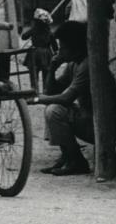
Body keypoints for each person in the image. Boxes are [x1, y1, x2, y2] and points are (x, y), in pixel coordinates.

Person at [34, 21, 94, 175]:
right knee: (52, 106)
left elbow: (66, 98)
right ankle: (67, 156)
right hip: (87, 118)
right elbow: (51, 91)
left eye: (63, 46)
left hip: (98, 124)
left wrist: (37, 99)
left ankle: (76, 161)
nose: (60, 50)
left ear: (75, 47)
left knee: (55, 110)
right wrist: (52, 68)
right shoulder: (74, 64)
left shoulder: (87, 66)